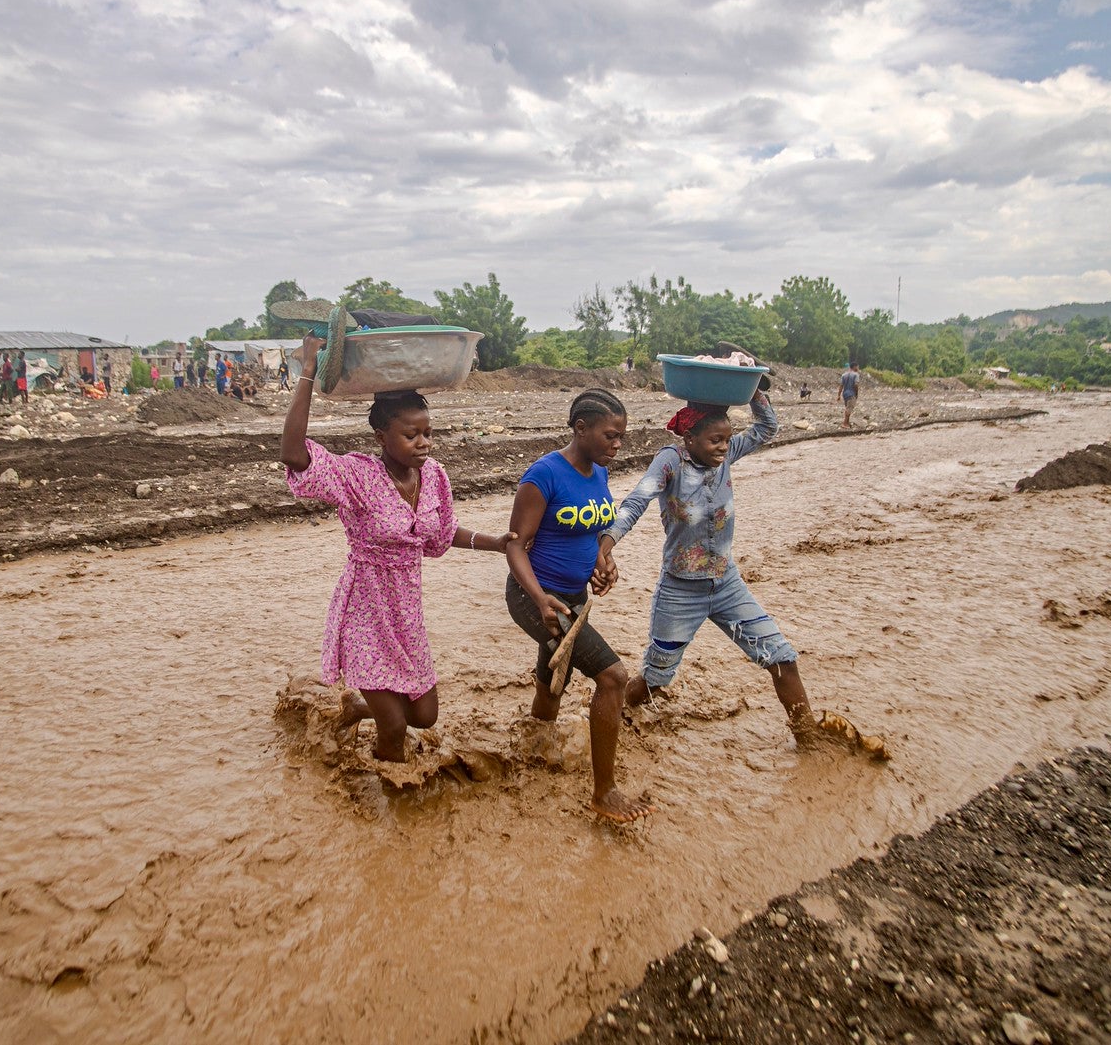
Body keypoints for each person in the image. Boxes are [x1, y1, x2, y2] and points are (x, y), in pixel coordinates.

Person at [598, 386, 848, 794]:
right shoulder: (670, 462)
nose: (722, 448)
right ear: (689, 439)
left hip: (726, 584)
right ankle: (620, 714)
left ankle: (808, 737)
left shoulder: (727, 454)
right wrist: (606, 544)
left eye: (727, 440)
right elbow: (637, 500)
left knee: (781, 657)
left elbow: (768, 426)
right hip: (680, 590)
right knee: (657, 678)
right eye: (714, 440)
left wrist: (757, 388)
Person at [280, 333, 513, 763]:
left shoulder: (435, 477)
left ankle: (358, 707)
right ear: (381, 435)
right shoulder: (357, 475)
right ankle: (388, 799)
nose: (423, 443)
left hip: (406, 612)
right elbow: (293, 454)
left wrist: (495, 543)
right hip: (365, 607)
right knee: (396, 726)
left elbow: (442, 534)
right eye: (411, 435)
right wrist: (309, 373)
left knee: (424, 715)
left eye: (428, 433)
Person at [504, 388, 649, 822]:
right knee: (613, 677)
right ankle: (603, 794)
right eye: (611, 435)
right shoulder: (543, 475)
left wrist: (603, 562)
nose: (618, 445)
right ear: (580, 429)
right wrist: (538, 597)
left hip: (574, 597)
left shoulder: (598, 473)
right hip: (536, 597)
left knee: (555, 679)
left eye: (621, 436)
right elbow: (515, 547)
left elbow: (591, 530)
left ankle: (534, 750)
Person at [839, 363, 859, 428]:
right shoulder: (856, 375)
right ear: (854, 367)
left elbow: (841, 385)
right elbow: (856, 385)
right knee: (849, 409)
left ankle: (847, 423)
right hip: (851, 393)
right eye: (857, 367)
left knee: (847, 408)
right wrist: (856, 393)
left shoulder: (844, 375)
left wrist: (838, 395)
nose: (858, 368)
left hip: (845, 394)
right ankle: (844, 423)